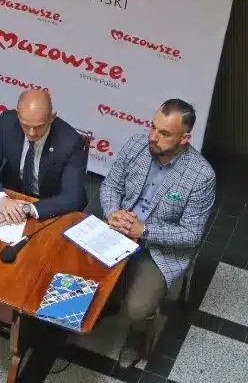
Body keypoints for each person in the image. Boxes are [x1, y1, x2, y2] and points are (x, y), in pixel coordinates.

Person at [100, 98, 215, 369]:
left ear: (184, 138)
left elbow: (191, 234)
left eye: (164, 133)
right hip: (119, 229)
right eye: (153, 127)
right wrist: (112, 211)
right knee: (78, 268)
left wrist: (145, 230)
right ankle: (107, 302)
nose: (153, 137)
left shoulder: (201, 176)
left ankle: (140, 332)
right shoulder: (136, 145)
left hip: (159, 249)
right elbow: (111, 185)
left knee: (138, 309)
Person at [0, 89, 87, 224]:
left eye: (39, 127)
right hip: (12, 194)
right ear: (18, 115)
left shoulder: (70, 142)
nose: (32, 133)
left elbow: (72, 197)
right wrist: (1, 199)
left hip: (49, 205)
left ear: (51, 117)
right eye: (26, 126)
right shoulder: (7, 122)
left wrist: (26, 210)